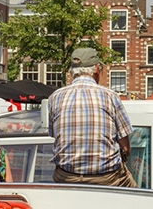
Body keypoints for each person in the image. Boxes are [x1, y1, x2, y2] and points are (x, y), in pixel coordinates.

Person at [47, 47, 136, 187]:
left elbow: (56, 137)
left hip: (67, 177)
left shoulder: (55, 97)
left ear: (72, 71)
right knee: (136, 198)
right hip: (107, 178)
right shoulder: (110, 96)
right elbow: (125, 148)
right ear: (96, 69)